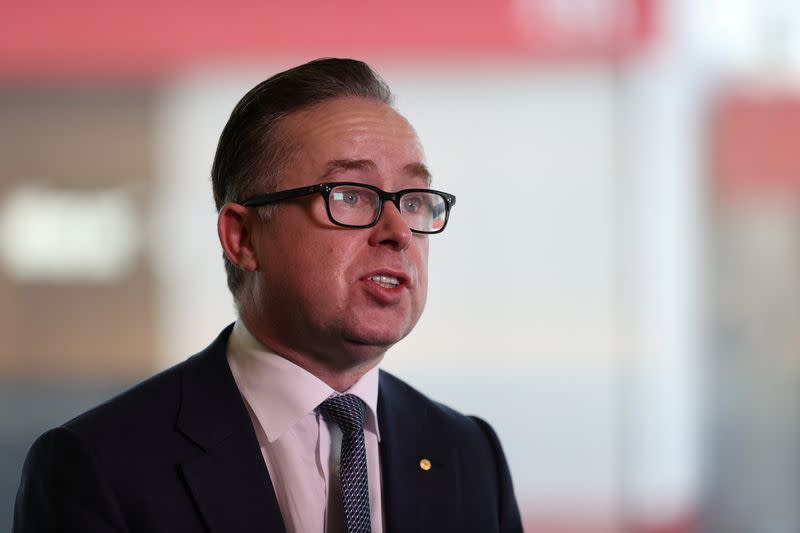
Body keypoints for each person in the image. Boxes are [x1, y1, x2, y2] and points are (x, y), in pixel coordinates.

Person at [14, 58, 522, 533]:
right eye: (349, 195)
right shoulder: (98, 464)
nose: (397, 231)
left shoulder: (468, 455)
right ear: (243, 238)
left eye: (413, 200)